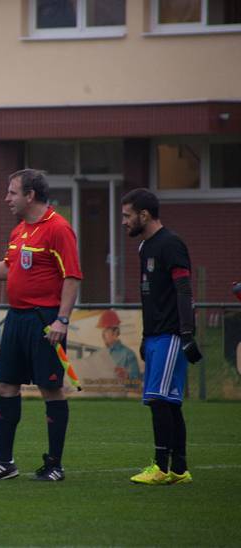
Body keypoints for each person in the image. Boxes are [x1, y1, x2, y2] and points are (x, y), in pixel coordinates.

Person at [0, 168, 82, 481]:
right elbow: (8, 269)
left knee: (51, 388)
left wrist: (62, 319)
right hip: (16, 318)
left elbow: (72, 277)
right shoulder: (18, 230)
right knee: (6, 385)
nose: (7, 198)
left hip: (44, 320)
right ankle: (4, 461)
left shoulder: (58, 228)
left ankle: (54, 464)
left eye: (12, 192)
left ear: (30, 195)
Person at [121, 188, 200, 485]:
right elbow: (150, 298)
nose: (124, 222)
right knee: (169, 402)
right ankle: (179, 469)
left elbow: (183, 291)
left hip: (170, 335)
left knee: (158, 400)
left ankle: (161, 467)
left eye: (127, 216)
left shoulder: (171, 244)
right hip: (155, 336)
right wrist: (144, 335)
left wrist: (187, 332)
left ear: (144, 215)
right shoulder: (144, 248)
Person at [97, 309, 141, 382]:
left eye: (106, 330)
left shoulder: (128, 354)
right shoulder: (100, 354)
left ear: (116, 332)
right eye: (102, 331)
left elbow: (136, 382)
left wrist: (127, 376)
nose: (103, 335)